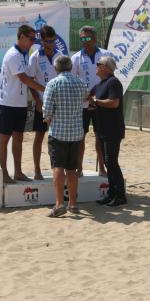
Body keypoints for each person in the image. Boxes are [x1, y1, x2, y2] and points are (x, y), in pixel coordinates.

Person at [0, 24, 46, 184]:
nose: (33, 42)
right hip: (6, 103)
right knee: (5, 139)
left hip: (20, 104)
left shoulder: (24, 54)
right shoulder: (13, 55)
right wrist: (46, 88)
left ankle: (18, 172)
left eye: (34, 39)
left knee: (18, 137)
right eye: (31, 38)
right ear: (22, 37)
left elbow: (28, 79)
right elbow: (24, 79)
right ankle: (4, 173)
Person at [42, 55, 88, 217]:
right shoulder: (81, 83)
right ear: (70, 67)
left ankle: (59, 203)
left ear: (56, 68)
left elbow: (46, 110)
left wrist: (49, 120)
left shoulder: (53, 84)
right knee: (72, 169)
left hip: (58, 133)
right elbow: (85, 101)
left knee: (58, 168)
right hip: (76, 133)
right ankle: (73, 204)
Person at [90, 56, 127, 207]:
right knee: (107, 161)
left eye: (98, 64)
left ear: (106, 67)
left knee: (111, 162)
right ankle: (112, 193)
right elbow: (88, 96)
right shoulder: (99, 85)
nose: (96, 66)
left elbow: (114, 103)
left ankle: (120, 196)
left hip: (113, 128)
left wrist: (96, 102)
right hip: (102, 128)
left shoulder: (113, 82)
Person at [71, 25, 108, 177]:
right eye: (81, 39)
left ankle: (101, 168)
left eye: (86, 38)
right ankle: (79, 168)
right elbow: (72, 81)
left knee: (100, 136)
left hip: (100, 103)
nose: (84, 41)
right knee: (81, 137)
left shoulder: (106, 55)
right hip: (83, 104)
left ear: (94, 38)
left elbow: (110, 78)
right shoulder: (75, 58)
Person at [28, 25, 63, 180]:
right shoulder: (35, 57)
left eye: (53, 40)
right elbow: (30, 81)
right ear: (41, 41)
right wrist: (37, 101)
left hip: (58, 104)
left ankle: (56, 168)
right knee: (39, 136)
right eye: (48, 41)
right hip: (42, 103)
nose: (51, 44)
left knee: (57, 138)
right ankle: (37, 169)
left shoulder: (60, 56)